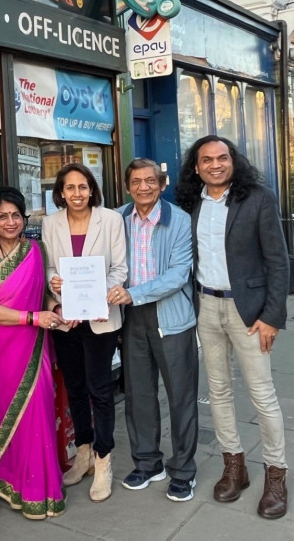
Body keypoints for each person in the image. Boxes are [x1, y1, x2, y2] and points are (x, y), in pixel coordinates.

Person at [175, 136, 289, 519]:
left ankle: (275, 474)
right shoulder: (190, 204)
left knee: (262, 394)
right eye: (206, 160)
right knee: (218, 391)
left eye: (222, 158)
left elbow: (278, 259)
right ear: (196, 167)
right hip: (206, 306)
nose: (215, 165)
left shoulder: (257, 198)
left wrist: (272, 315)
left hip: (250, 313)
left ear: (233, 161)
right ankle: (234, 466)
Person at [0, 187, 67, 520]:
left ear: (24, 217)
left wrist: (55, 308)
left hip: (34, 344)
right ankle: (11, 482)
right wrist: (33, 318)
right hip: (0, 348)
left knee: (39, 412)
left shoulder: (36, 249)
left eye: (16, 215)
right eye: (3, 216)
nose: (10, 222)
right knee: (6, 416)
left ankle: (41, 488)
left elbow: (43, 295)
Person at [113, 159, 199, 502]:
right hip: (132, 318)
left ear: (162, 184)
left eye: (150, 181)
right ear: (128, 185)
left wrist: (133, 293)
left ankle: (183, 470)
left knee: (181, 396)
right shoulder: (117, 218)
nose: (143, 187)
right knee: (139, 395)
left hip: (172, 318)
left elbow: (179, 275)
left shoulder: (178, 219)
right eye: (136, 181)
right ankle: (148, 463)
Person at [42, 163, 128, 503]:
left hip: (101, 318)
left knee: (100, 390)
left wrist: (91, 298)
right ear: (60, 193)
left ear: (92, 189)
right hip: (67, 319)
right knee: (75, 388)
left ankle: (104, 459)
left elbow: (120, 267)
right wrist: (58, 290)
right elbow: (50, 267)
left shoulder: (111, 220)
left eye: (83, 187)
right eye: (70, 187)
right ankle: (83, 453)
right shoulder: (50, 223)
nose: (76, 193)